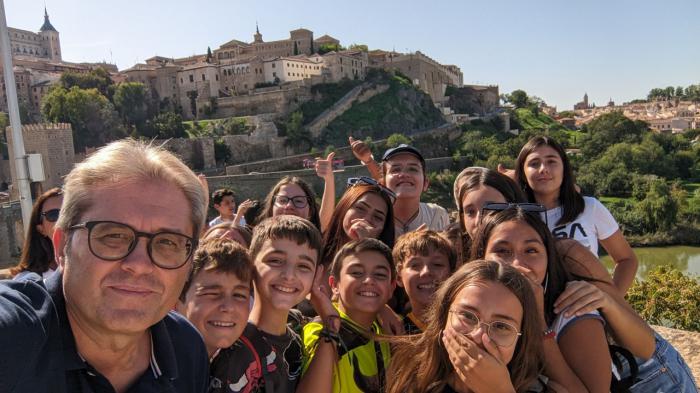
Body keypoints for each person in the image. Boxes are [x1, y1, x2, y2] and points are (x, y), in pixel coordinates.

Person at [0, 139, 210, 392]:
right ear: (61, 246)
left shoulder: (185, 349)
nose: (140, 265)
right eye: (113, 236)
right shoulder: (15, 337)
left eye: (167, 242)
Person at [471, 206, 612, 392]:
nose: (517, 264)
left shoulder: (573, 313)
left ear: (548, 258)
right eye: (503, 251)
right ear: (482, 258)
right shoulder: (467, 313)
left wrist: (538, 323)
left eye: (530, 251)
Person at [386, 260, 544, 393]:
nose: (479, 336)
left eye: (501, 326)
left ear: (521, 337)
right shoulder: (408, 376)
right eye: (468, 316)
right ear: (444, 316)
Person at [209, 215, 322, 393]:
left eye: (304, 266)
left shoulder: (297, 334)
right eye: (276, 261)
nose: (289, 275)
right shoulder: (235, 352)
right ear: (251, 263)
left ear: (317, 274)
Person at [515, 136, 638, 293]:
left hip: (584, 312)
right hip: (533, 309)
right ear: (523, 172)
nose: (543, 169)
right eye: (534, 164)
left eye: (551, 161)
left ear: (564, 169)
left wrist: (611, 304)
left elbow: (627, 260)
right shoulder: (515, 217)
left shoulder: (589, 207)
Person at [298, 238, 395, 393]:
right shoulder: (319, 329)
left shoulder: (385, 331)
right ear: (334, 285)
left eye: (380, 274)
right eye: (356, 273)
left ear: (391, 287)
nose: (369, 280)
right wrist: (331, 328)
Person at [350, 138, 449, 236]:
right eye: (395, 169)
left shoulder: (437, 215)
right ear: (383, 184)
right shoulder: (372, 221)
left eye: (413, 169)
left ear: (425, 183)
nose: (404, 174)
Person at [176, 237, 254, 359]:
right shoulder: (149, 366)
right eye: (212, 293)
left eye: (239, 295)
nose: (228, 307)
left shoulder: (243, 361)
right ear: (179, 298)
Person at [393, 230, 456, 334]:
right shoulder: (393, 332)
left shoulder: (466, 328)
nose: (426, 272)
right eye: (415, 265)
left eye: (437, 264)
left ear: (452, 275)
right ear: (399, 277)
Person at [320, 180, 395, 267]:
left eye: (378, 217)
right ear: (344, 207)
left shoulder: (390, 265)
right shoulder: (315, 249)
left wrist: (367, 246)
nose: (366, 219)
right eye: (360, 208)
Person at [5, 187, 63, 279]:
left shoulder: (92, 268)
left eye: (69, 212)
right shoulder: (27, 283)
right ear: (41, 229)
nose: (63, 219)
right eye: (53, 214)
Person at [254, 176, 322, 230]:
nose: (289, 206)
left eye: (298, 201)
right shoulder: (257, 245)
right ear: (271, 207)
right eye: (282, 200)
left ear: (310, 211)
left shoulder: (319, 245)